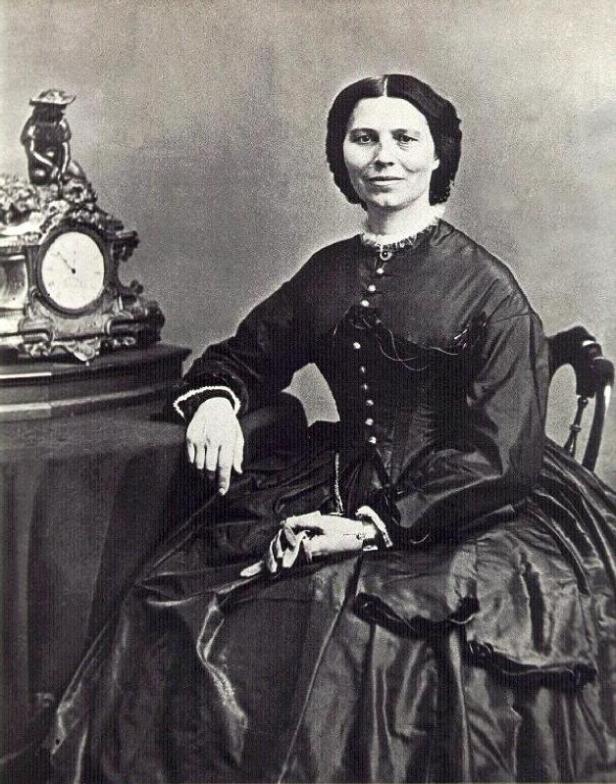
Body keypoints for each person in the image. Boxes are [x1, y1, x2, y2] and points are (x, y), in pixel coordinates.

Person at [47, 74, 616, 783]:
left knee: (360, 635)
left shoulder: (489, 290)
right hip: (338, 474)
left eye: (405, 139)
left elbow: (500, 455)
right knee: (214, 607)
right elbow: (244, 355)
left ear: (438, 154)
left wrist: (371, 527)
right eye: (364, 138)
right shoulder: (329, 271)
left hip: (465, 506)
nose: (384, 157)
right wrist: (218, 400)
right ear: (340, 154)